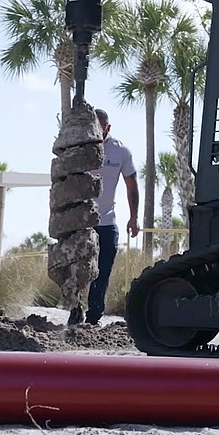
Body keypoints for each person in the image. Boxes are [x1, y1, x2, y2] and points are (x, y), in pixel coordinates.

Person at [85, 108, 140, 325]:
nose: (96, 132)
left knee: (103, 269)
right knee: (77, 268)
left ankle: (93, 317)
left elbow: (132, 185)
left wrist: (134, 217)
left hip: (107, 221)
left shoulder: (121, 151)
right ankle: (74, 309)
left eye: (100, 127)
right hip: (81, 222)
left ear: (107, 127)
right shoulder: (78, 148)